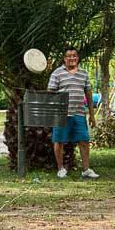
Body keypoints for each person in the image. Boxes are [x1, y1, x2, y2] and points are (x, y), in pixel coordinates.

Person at [48, 46, 97, 178]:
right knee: (59, 141)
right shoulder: (57, 73)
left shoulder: (84, 73)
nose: (72, 58)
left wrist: (92, 115)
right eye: (69, 56)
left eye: (74, 55)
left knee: (84, 141)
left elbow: (88, 94)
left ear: (77, 57)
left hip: (79, 113)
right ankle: (61, 169)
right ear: (64, 59)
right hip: (61, 114)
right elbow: (51, 93)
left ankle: (86, 169)